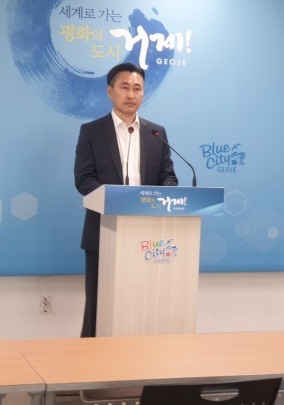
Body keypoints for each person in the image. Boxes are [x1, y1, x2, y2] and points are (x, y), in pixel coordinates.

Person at [74, 63, 178, 337]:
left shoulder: (157, 133)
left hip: (148, 236)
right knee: (98, 306)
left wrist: (159, 198)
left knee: (144, 303)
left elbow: (169, 178)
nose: (131, 94)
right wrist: (115, 201)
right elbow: (84, 180)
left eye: (137, 88)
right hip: (103, 231)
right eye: (125, 87)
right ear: (110, 91)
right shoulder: (92, 131)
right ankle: (91, 359)